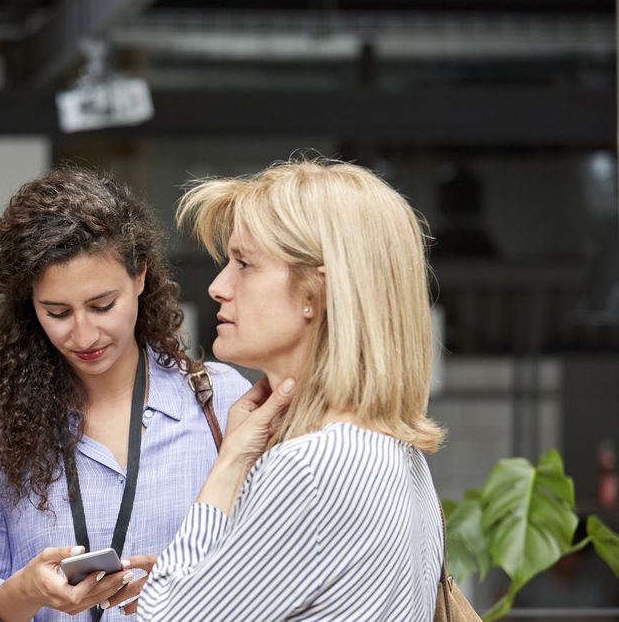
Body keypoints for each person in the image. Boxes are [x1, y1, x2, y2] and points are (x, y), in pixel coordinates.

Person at [138, 158, 447, 620]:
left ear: (313, 293)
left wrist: (229, 464)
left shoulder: (310, 468)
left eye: (244, 263)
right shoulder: (396, 453)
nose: (219, 286)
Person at [0, 167, 251, 621]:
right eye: (57, 312)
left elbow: (279, 574)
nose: (84, 335)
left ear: (140, 276)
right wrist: (25, 592)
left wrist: (189, 591)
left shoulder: (220, 402)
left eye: (102, 306)